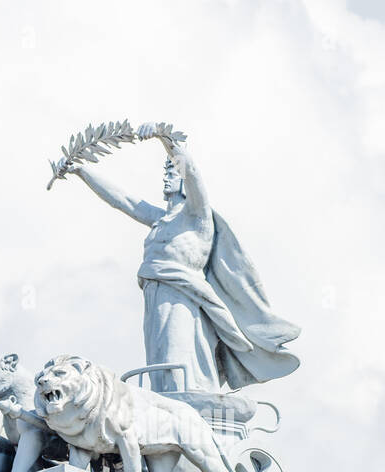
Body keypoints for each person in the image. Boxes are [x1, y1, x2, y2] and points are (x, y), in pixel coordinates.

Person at [70, 124, 301, 393]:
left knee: (175, 352)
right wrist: (81, 170)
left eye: (171, 172)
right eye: (165, 173)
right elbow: (124, 201)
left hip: (184, 297)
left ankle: (187, 401)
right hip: (155, 293)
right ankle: (166, 401)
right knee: (158, 356)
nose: (166, 178)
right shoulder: (160, 220)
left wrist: (167, 141)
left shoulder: (197, 216)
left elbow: (191, 173)